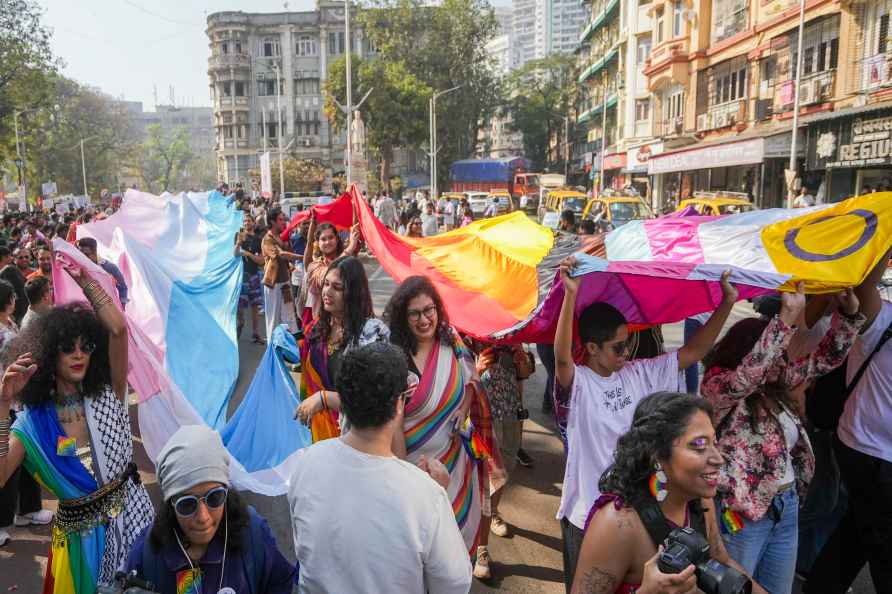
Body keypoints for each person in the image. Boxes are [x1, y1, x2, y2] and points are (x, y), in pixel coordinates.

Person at [554, 257, 738, 592]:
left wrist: (727, 303)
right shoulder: (579, 383)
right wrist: (570, 295)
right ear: (592, 348)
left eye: (629, 342)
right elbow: (562, 358)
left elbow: (693, 351)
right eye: (618, 346)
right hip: (585, 518)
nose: (626, 352)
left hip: (638, 515)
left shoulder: (639, 373)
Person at [0, 257, 154, 592]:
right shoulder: (31, 425)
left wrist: (88, 282)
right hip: (79, 547)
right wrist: (2, 405)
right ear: (47, 355)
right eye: (67, 348)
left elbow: (118, 328)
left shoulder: (107, 394)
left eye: (85, 347)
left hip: (133, 520)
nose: (78, 354)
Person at [700, 283, 863, 594]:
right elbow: (747, 377)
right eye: (774, 354)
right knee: (735, 589)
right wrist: (785, 319)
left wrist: (849, 313)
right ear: (748, 350)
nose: (782, 362)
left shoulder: (774, 383)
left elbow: (824, 359)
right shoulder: (718, 386)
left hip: (785, 507)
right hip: (743, 513)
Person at [288, 342, 472, 594]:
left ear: (344, 401)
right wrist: (435, 495)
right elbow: (455, 583)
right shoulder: (426, 495)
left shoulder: (306, 463)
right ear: (399, 404)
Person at [571, 392, 765, 594]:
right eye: (698, 445)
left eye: (713, 442)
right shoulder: (618, 524)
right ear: (657, 454)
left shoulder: (700, 504)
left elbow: (720, 559)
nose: (718, 458)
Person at [384, 275, 499, 579]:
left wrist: (463, 409)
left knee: (452, 551)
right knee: (418, 553)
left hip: (455, 464)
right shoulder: (395, 356)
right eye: (415, 313)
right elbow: (391, 421)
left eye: (429, 309)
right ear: (402, 316)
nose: (424, 319)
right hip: (413, 469)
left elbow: (472, 377)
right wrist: (404, 476)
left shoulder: (451, 340)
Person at [807, 249, 892, 594]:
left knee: (858, 531)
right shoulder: (881, 320)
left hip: (874, 455)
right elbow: (864, 285)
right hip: (869, 453)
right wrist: (885, 230)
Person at [125, 425, 295, 593]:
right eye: (187, 504)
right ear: (171, 504)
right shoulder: (147, 555)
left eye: (214, 497)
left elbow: (279, 583)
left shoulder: (253, 534)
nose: (203, 517)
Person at [295, 256, 389, 442]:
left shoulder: (372, 334)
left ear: (354, 294)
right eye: (326, 284)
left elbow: (373, 401)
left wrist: (324, 399)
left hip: (357, 440)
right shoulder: (317, 328)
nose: (327, 292)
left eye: (337, 288)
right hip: (319, 434)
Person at [300, 211, 361, 327]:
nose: (327, 242)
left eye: (331, 237)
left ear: (337, 239)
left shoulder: (348, 261)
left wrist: (354, 206)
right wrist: (350, 247)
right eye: (323, 239)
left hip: (347, 321)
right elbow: (327, 274)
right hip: (323, 324)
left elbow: (355, 234)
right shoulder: (315, 266)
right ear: (318, 243)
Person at [261, 207, 302, 342]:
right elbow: (281, 255)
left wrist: (290, 266)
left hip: (284, 284)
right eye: (280, 219)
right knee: (273, 320)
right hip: (273, 286)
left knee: (289, 317)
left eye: (283, 219)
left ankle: (290, 352)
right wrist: (303, 257)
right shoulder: (267, 239)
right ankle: (272, 354)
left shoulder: (279, 238)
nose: (283, 222)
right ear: (272, 222)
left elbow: (282, 259)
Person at [235, 215, 266, 344]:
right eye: (245, 221)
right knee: (239, 307)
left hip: (253, 276)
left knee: (255, 306)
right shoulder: (239, 236)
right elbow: (235, 254)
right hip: (241, 276)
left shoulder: (258, 240)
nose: (246, 223)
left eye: (249, 220)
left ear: (253, 223)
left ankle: (255, 333)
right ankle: (241, 321)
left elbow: (262, 261)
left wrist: (248, 254)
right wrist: (238, 243)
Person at [76, 237, 128, 307]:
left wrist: (122, 305)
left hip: (109, 308)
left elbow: (122, 287)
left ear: (95, 252)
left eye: (86, 255)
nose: (83, 258)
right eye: (81, 255)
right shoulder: (78, 267)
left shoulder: (109, 267)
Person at [0, 247, 28, 325]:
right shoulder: (10, 270)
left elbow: (22, 291)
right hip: (15, 315)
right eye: (10, 256)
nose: (11, 258)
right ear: (5, 257)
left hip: (15, 315)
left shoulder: (11, 270)